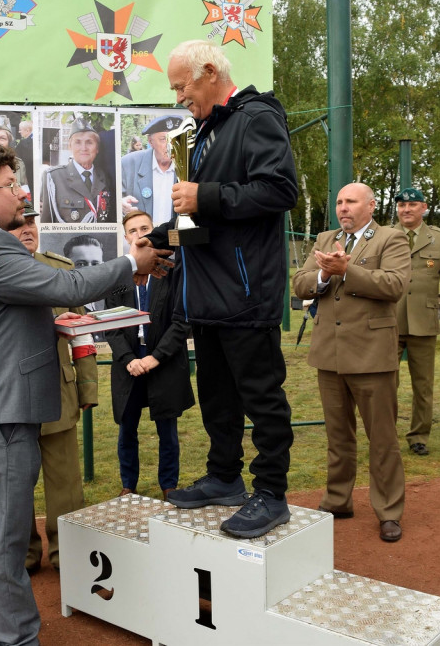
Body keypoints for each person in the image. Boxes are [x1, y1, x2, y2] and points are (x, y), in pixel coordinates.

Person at [0, 145, 168, 646]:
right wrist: (131, 261)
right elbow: (69, 285)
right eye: (9, 185)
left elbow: (7, 312)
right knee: (3, 537)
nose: (22, 193)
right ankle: (15, 638)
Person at [141, 39, 299, 539]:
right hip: (206, 297)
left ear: (210, 72)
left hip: (246, 294)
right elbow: (200, 221)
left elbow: (280, 190)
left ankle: (271, 492)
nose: (178, 97)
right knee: (216, 397)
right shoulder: (206, 131)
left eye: (181, 86)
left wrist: (203, 195)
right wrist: (157, 241)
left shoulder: (257, 118)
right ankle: (224, 476)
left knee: (261, 398)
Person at [291, 183, 411, 542]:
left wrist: (346, 270)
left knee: (382, 438)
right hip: (330, 354)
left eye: (351, 202)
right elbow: (300, 284)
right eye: (339, 202)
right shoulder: (326, 238)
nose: (343, 207)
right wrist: (324, 275)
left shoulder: (390, 238)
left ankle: (389, 511)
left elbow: (394, 285)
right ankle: (337, 500)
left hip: (372, 355)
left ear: (371, 205)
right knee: (338, 435)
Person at [7, 201, 96, 575]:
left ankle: (67, 554)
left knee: (65, 482)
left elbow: (83, 335)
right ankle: (22, 554)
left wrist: (87, 388)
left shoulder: (61, 271)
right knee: (14, 483)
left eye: (31, 222)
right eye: (18, 224)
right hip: (10, 397)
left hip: (58, 392)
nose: (27, 229)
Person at [104, 211, 194, 499]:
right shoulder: (118, 273)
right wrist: (128, 359)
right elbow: (111, 326)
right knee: (126, 429)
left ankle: (169, 485)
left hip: (164, 361)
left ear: (153, 231)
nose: (139, 234)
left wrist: (156, 357)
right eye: (133, 230)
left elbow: (181, 321)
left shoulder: (171, 270)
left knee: (167, 429)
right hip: (128, 362)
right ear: (125, 237)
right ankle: (128, 485)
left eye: (145, 228)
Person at [394, 187, 440, 456]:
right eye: (402, 205)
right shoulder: (385, 237)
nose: (406, 209)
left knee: (423, 386)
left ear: (424, 208)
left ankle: (418, 436)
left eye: (412, 204)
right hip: (388, 321)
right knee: (385, 384)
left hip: (423, 322)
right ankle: (384, 436)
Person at [42, 119, 113, 223]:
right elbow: (46, 222)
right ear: (70, 146)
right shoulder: (53, 177)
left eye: (89, 142)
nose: (83, 148)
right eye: (78, 142)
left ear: (97, 148)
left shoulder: (104, 177)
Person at [120, 115, 182, 224]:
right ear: (150, 142)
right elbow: (112, 201)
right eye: (163, 139)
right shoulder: (128, 163)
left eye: (175, 138)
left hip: (174, 234)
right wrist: (121, 205)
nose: (170, 145)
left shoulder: (187, 166)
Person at [63, 235, 106, 314]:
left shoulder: (110, 299)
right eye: (81, 264)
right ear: (66, 266)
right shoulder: (59, 304)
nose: (90, 270)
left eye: (95, 264)